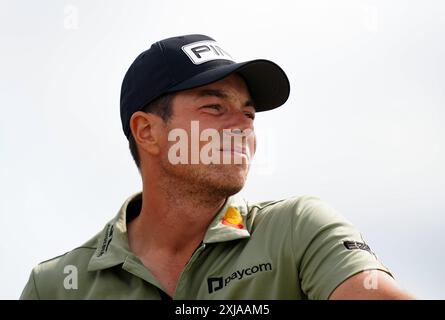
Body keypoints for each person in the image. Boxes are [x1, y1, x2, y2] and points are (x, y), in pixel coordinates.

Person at [20, 34, 413, 300]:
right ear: (147, 132)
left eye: (249, 114)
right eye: (214, 107)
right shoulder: (56, 285)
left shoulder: (297, 229)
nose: (242, 127)